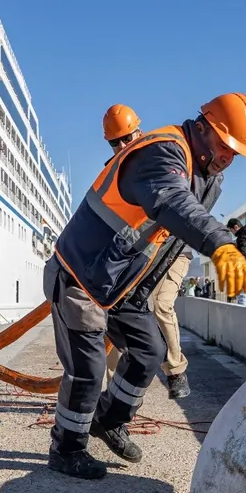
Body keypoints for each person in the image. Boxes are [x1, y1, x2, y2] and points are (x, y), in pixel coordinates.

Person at [43, 92, 246, 480]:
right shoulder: (162, 151)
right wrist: (221, 245)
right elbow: (171, 203)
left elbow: (167, 242)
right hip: (80, 276)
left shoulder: (209, 178)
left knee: (149, 350)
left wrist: (141, 297)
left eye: (236, 152)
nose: (229, 157)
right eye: (226, 146)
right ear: (205, 127)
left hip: (121, 285)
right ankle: (66, 447)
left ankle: (108, 421)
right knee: (88, 369)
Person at [100, 104, 194, 401]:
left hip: (174, 249)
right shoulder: (112, 173)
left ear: (139, 133)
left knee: (162, 305)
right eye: (116, 142)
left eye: (128, 138)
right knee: (112, 313)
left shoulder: (162, 160)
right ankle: (111, 390)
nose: (123, 146)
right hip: (139, 254)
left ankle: (176, 370)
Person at [226, 218, 246, 307]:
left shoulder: (242, 235)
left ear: (236, 227)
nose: (232, 233)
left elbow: (243, 252)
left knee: (242, 296)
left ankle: (242, 319)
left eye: (231, 230)